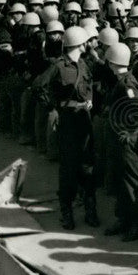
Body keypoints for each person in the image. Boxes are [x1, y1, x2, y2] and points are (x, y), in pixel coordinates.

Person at [45, 26, 96, 230]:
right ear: (80, 44)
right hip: (67, 120)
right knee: (68, 168)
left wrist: (90, 99)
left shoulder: (84, 65)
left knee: (87, 165)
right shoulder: (58, 67)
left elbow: (90, 85)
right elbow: (40, 86)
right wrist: (53, 109)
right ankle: (67, 212)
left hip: (84, 119)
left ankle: (90, 209)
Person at [103, 42, 138, 240]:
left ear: (112, 62)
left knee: (131, 184)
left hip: (127, 144)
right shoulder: (121, 80)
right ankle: (123, 219)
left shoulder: (126, 84)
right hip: (117, 140)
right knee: (121, 182)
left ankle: (137, 225)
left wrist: (132, 134)